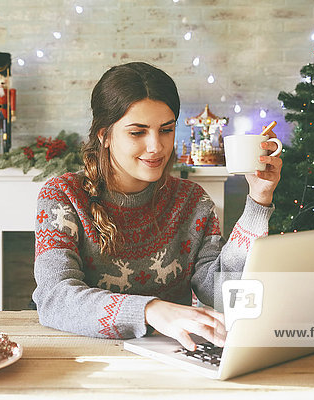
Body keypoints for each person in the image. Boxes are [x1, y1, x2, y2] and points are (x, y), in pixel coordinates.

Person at [32, 62, 282, 351]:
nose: (156, 146)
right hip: (86, 358)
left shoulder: (193, 201)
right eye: (137, 132)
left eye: (166, 130)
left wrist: (259, 201)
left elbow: (223, 294)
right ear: (104, 135)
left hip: (175, 358)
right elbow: (54, 297)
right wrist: (151, 310)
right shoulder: (63, 196)